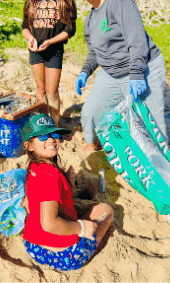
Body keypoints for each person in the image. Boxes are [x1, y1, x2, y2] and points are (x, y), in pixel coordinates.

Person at [73, 0, 168, 153]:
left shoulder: (119, 2)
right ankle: (92, 144)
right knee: (90, 112)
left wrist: (136, 73)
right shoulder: (90, 20)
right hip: (110, 74)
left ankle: (161, 160)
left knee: (150, 123)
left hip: (142, 68)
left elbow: (137, 40)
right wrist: (85, 72)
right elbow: (94, 52)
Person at [20, 114, 113, 271]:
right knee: (106, 211)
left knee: (72, 205)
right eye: (42, 136)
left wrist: (67, 185)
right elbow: (49, 224)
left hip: (33, 247)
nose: (51, 140)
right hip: (65, 256)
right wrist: (81, 228)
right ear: (29, 145)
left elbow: (28, 203)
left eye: (54, 134)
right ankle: (90, 245)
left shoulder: (34, 167)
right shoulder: (50, 176)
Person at [21, 0, 77, 126]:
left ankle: (53, 126)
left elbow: (70, 29)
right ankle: (41, 125)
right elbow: (25, 26)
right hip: (35, 50)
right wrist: (30, 39)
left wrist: (51, 42)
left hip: (54, 51)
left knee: (52, 93)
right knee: (40, 91)